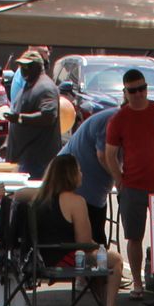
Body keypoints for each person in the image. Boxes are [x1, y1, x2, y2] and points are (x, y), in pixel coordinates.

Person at [27, 154, 134, 306]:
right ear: (70, 175)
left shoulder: (39, 198)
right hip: (66, 257)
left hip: (43, 257)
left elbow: (20, 194)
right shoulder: (76, 202)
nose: (82, 174)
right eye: (79, 170)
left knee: (101, 262)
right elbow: (85, 242)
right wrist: (103, 250)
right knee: (114, 260)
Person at [106, 68, 154, 305]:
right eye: (133, 90)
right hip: (133, 186)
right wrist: (118, 178)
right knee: (134, 236)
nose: (138, 94)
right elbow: (109, 153)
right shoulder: (119, 118)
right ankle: (137, 282)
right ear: (125, 92)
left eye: (142, 88)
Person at [58, 103, 118, 245]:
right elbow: (103, 155)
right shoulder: (112, 119)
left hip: (94, 188)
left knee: (94, 233)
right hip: (79, 184)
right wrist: (120, 178)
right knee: (90, 238)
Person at [6, 52, 61, 179]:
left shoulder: (45, 87)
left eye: (27, 66)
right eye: (21, 67)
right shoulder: (30, 84)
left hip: (38, 159)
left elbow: (48, 117)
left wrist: (19, 118)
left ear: (39, 67)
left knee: (32, 196)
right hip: (26, 156)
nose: (23, 70)